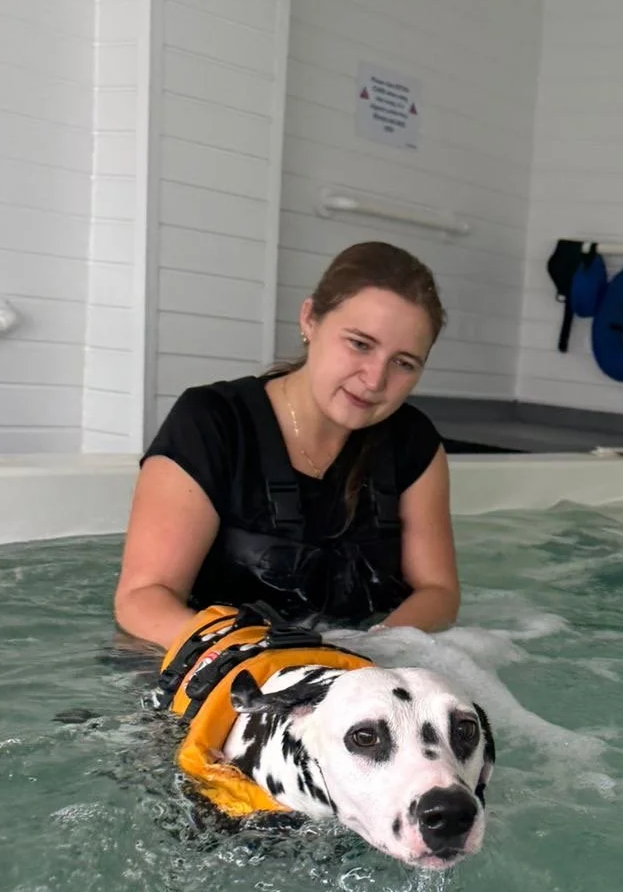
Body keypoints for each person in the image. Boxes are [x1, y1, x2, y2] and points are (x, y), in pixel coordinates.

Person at [114, 242, 459, 650]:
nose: (375, 380)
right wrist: (263, 661)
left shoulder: (413, 442)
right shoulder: (212, 421)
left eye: (403, 363)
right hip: (209, 670)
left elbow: (438, 591)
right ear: (310, 320)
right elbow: (143, 597)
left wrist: (372, 651)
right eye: (360, 344)